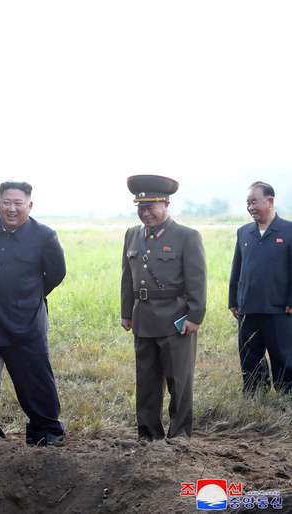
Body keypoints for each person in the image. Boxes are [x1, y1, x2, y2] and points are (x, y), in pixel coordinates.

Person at [0, 181, 66, 447]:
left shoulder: (44, 236)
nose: (12, 209)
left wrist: (28, 295)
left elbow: (56, 274)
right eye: (6, 203)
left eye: (18, 203)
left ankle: (46, 433)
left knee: (34, 381)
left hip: (24, 322)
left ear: (29, 206)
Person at [120, 175, 206, 441]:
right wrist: (126, 312)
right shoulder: (132, 235)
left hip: (176, 319)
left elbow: (197, 279)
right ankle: (148, 434)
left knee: (178, 382)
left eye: (151, 206)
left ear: (166, 203)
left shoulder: (186, 236)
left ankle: (179, 436)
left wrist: (194, 316)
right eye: (141, 208)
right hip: (143, 317)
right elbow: (127, 277)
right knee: (146, 381)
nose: (145, 213)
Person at [228, 181, 292, 394]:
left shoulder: (288, 230)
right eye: (248, 203)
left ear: (270, 201)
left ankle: (286, 397)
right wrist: (233, 300)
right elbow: (237, 269)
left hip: (279, 309)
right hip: (248, 308)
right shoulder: (244, 232)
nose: (250, 207)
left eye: (254, 201)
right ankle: (256, 396)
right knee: (249, 356)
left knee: (283, 356)